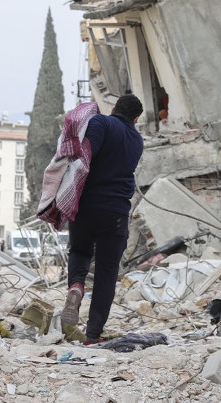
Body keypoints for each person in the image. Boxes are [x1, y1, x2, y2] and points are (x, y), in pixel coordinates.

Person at [61, 94, 144, 345]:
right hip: (116, 212)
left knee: (80, 251)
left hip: (86, 206)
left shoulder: (101, 123)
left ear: (113, 108)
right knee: (107, 273)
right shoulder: (137, 140)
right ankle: (93, 334)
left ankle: (76, 285)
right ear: (136, 119)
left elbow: (85, 156)